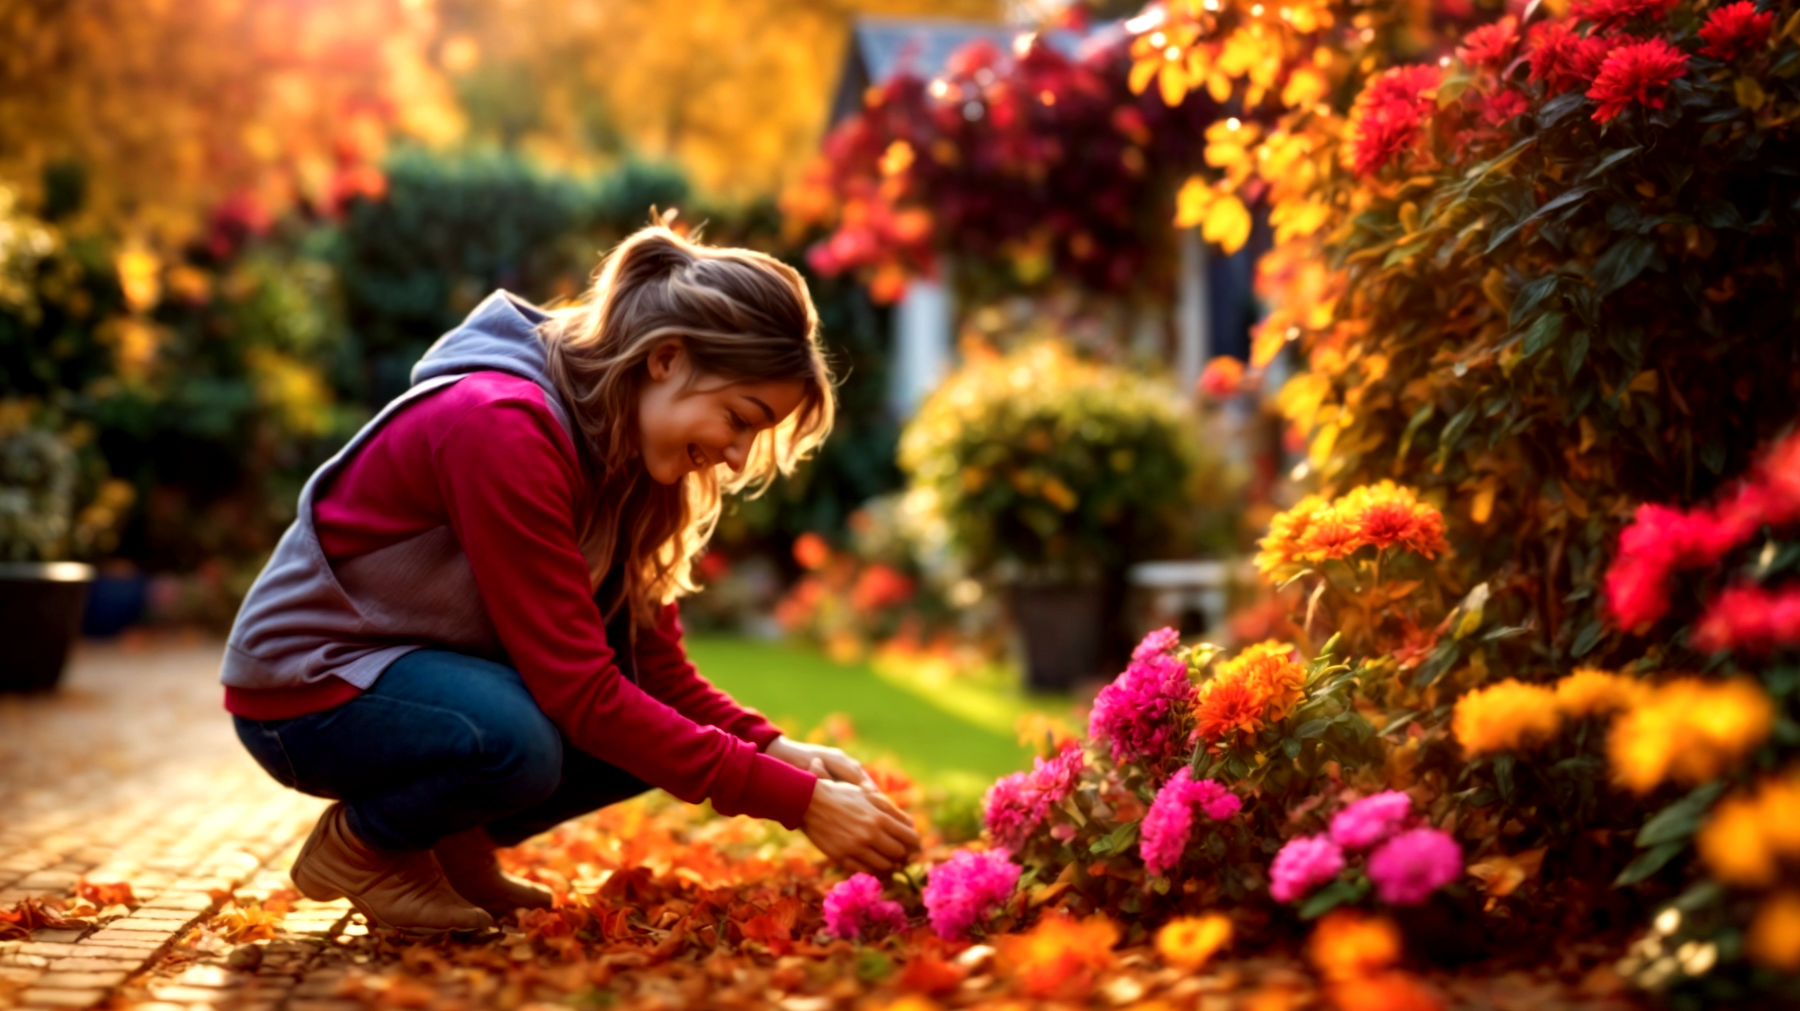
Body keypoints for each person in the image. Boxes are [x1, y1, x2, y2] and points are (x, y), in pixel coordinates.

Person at [219, 222, 920, 934]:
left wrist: (781, 753)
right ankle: (365, 847)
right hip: (307, 690)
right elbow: (580, 692)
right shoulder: (499, 425)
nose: (737, 459)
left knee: (636, 725)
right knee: (516, 738)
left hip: (414, 675)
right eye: (739, 418)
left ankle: (450, 846)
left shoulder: (640, 465)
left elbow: (655, 670)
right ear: (666, 359)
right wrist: (798, 803)